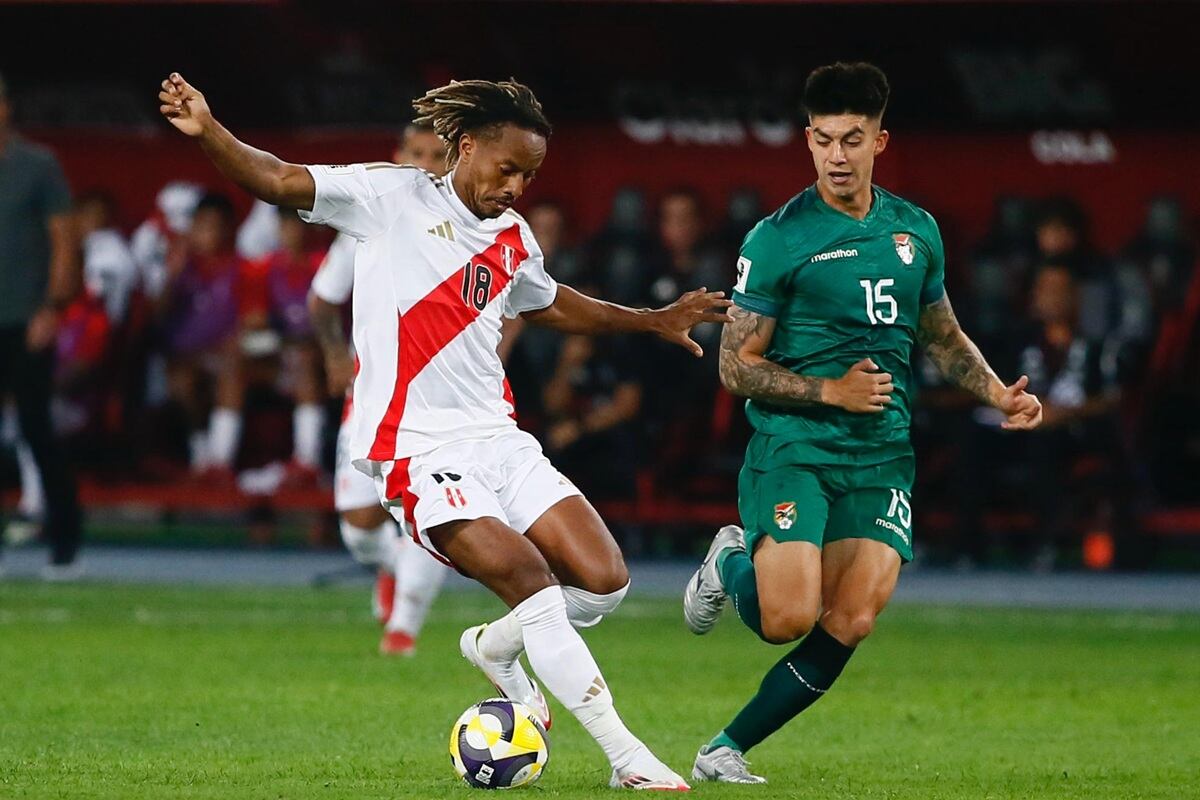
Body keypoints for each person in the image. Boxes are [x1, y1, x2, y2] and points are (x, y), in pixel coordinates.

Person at [159, 72, 731, 790]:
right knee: (531, 580)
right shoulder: (389, 197)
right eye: (507, 168)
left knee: (604, 582)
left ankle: (493, 649)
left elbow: (548, 302)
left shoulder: (514, 237)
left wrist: (648, 320)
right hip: (414, 450)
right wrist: (210, 129)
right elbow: (276, 178)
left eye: (529, 174)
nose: (516, 185)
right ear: (465, 147)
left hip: (499, 439)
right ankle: (626, 757)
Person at [682, 62, 1043, 784]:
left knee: (851, 619)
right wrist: (829, 391)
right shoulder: (778, 239)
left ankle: (724, 750)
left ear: (881, 140)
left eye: (853, 139)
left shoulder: (916, 231)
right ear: (807, 141)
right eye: (823, 140)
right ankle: (729, 559)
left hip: (882, 454)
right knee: (786, 618)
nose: (837, 156)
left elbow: (940, 334)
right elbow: (733, 365)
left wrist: (999, 393)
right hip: (796, 444)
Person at [307, 120, 456, 656]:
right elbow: (322, 300)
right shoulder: (369, 220)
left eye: (437, 155)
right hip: (370, 395)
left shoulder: (472, 227)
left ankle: (403, 631)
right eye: (415, 153)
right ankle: (389, 568)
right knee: (360, 528)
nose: (425, 165)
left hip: (442, 404)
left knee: (428, 511)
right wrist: (331, 355)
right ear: (396, 155)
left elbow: (511, 310)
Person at [0, 71, 84, 578]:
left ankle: (65, 539)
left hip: (25, 317)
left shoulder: (37, 165)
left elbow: (63, 238)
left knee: (36, 427)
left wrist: (52, 307)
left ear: (7, 108)